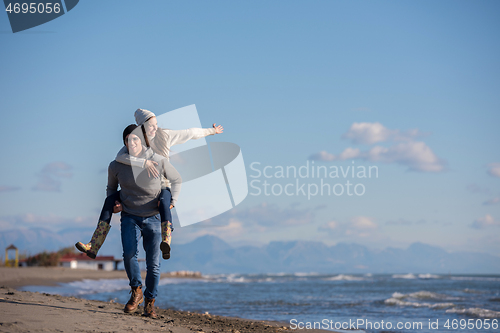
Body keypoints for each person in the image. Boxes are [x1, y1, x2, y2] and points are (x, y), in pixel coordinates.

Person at [75, 108, 223, 260]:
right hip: (136, 188)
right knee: (108, 201)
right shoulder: (136, 141)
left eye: (156, 124)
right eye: (151, 125)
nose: (155, 128)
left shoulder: (164, 136)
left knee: (165, 202)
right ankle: (94, 245)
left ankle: (167, 241)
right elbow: (119, 157)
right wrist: (144, 162)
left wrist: (212, 131)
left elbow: (190, 133)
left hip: (160, 186)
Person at [109, 124, 182, 318]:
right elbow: (110, 189)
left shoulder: (158, 160)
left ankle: (150, 303)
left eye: (135, 139)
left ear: (142, 140)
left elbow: (177, 180)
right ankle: (136, 291)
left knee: (153, 265)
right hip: (129, 216)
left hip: (153, 217)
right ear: (124, 142)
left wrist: (172, 202)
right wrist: (115, 204)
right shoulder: (116, 165)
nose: (132, 142)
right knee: (129, 255)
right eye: (128, 139)